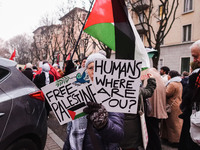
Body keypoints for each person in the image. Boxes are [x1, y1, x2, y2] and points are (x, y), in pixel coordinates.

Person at [63, 52, 124, 150]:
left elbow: (118, 135)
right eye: (91, 68)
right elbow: (70, 131)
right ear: (85, 71)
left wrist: (103, 124)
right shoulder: (77, 94)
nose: (94, 72)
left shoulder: (113, 96)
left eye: (99, 68)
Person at [120, 77, 157, 150]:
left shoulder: (110, 89)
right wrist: (151, 80)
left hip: (116, 124)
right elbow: (149, 91)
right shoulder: (136, 90)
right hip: (133, 126)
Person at [178, 40, 200, 149]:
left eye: (196, 56)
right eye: (194, 57)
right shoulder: (196, 77)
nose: (196, 60)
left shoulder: (194, 77)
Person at [141, 68, 168, 150]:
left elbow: (146, 93)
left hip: (150, 110)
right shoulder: (159, 79)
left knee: (151, 132)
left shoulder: (148, 78)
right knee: (155, 130)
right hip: (158, 110)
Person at [161, 70, 183, 146]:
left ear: (171, 76)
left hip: (172, 106)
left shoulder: (172, 84)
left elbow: (167, 93)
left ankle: (174, 140)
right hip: (178, 104)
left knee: (173, 124)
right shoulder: (179, 83)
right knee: (176, 123)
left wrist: (162, 88)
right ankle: (173, 139)